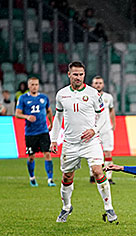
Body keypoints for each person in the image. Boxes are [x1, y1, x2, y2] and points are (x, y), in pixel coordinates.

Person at [50, 61, 117, 224]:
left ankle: (109, 207)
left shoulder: (94, 94)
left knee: (97, 172)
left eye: (81, 74)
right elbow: (58, 118)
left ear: (84, 75)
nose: (78, 77)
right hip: (70, 143)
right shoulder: (62, 94)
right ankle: (66, 207)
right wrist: (53, 139)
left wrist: (94, 130)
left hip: (91, 142)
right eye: (75, 74)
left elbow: (103, 116)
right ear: (69, 74)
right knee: (67, 176)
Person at [15, 77, 55, 187]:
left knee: (47, 154)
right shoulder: (23, 98)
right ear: (28, 86)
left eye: (36, 84)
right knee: (31, 156)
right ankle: (32, 178)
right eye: (32, 84)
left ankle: (50, 179)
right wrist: (27, 116)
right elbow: (17, 113)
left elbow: (49, 111)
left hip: (43, 131)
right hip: (30, 133)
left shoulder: (44, 98)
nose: (34, 86)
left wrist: (51, 123)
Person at [89, 76, 116, 185]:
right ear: (92, 84)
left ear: (103, 84)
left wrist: (113, 123)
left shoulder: (108, 97)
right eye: (96, 83)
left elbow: (111, 110)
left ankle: (108, 177)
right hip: (94, 129)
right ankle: (92, 175)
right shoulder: (89, 97)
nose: (98, 85)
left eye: (100, 83)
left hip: (106, 129)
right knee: (92, 153)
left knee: (108, 152)